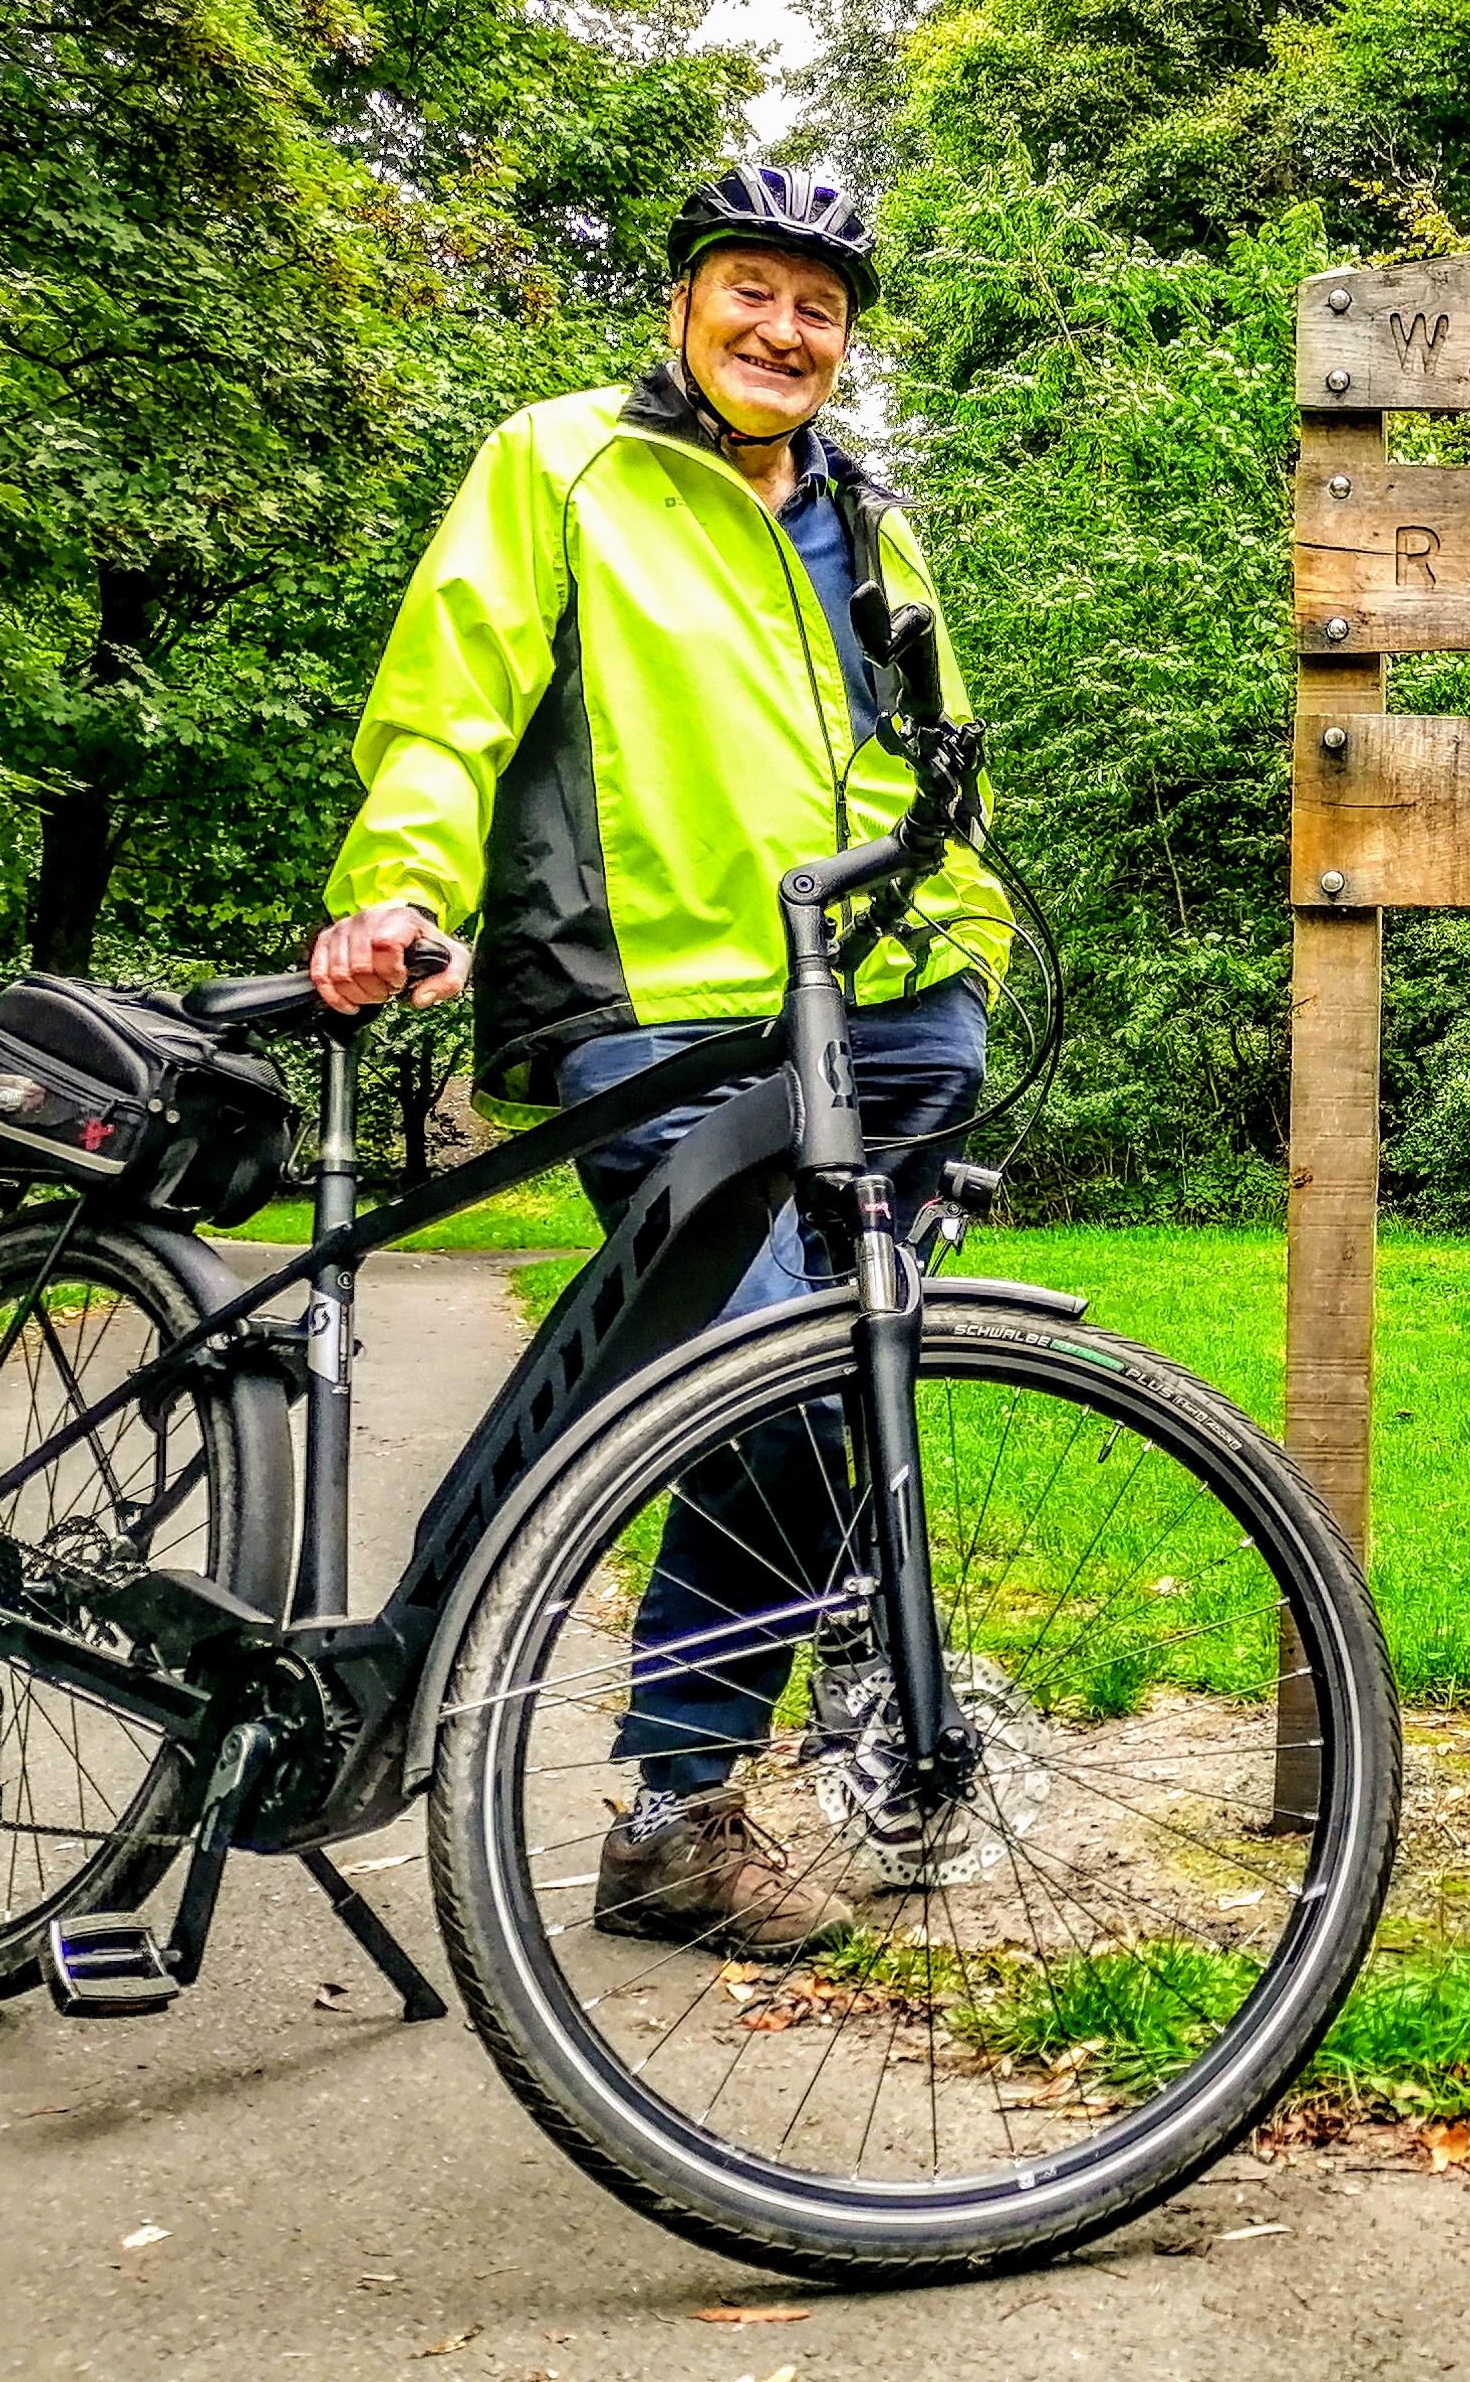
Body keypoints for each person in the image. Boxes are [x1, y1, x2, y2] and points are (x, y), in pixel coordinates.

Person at [307, 165, 1013, 1959]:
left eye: (821, 307)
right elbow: (449, 693)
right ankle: (696, 1793)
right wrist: (397, 885)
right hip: (666, 1001)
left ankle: (716, 1788)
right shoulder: (563, 465)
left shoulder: (872, 515)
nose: (786, 329)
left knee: (832, 1385)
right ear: (688, 301)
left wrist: (971, 925)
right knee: (773, 1373)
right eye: (752, 290)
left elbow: (926, 748)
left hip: (897, 1008)